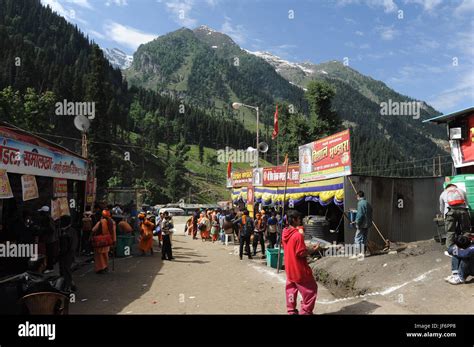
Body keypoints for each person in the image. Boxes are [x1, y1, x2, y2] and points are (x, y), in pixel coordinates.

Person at [282, 210, 319, 315]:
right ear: (294, 220)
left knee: (291, 290)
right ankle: (306, 312)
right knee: (311, 290)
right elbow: (301, 253)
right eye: (298, 219)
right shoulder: (297, 235)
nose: (300, 221)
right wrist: (313, 250)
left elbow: (292, 248)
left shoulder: (285, 232)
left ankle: (291, 311)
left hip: (289, 267)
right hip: (299, 269)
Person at [439, 183, 471, 250]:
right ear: (455, 187)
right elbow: (467, 203)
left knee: (450, 231)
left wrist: (443, 214)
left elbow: (441, 207)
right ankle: (466, 247)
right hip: (463, 211)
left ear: (447, 188)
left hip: (450, 212)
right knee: (466, 230)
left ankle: (450, 249)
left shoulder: (443, 193)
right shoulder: (461, 191)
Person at [91, 210, 116, 274]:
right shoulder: (112, 222)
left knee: (99, 255)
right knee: (105, 254)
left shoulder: (100, 222)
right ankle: (105, 267)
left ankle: (100, 268)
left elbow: (93, 229)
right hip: (107, 240)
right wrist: (114, 240)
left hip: (100, 240)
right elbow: (114, 232)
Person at [58, 215, 77, 292]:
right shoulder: (72, 231)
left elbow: (64, 248)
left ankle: (68, 286)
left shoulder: (65, 234)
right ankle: (70, 284)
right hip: (70, 253)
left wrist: (59, 254)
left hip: (66, 254)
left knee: (65, 270)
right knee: (67, 270)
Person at [37, 206, 58, 274]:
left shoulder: (48, 219)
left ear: (44, 213)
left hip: (50, 239)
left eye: (42, 212)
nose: (40, 214)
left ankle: (50, 267)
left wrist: (42, 229)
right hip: (49, 239)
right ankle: (48, 266)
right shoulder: (48, 218)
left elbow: (51, 229)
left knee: (49, 254)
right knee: (48, 253)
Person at [351, 191, 372, 257]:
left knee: (357, 238)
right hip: (367, 224)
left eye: (356, 196)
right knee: (364, 238)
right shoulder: (368, 203)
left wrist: (357, 222)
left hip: (362, 224)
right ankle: (363, 253)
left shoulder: (360, 203)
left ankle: (357, 253)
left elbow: (360, 214)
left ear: (358, 196)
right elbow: (369, 211)